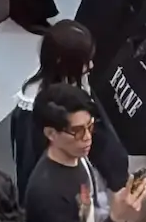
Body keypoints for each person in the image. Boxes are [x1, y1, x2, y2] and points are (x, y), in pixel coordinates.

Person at [11, 21, 127, 205]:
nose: (91, 65)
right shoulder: (34, 106)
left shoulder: (74, 78)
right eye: (84, 61)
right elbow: (30, 164)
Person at [23, 83, 146, 222]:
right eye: (78, 131)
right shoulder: (48, 196)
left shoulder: (77, 156)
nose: (88, 137)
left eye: (90, 126)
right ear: (51, 133)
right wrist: (117, 218)